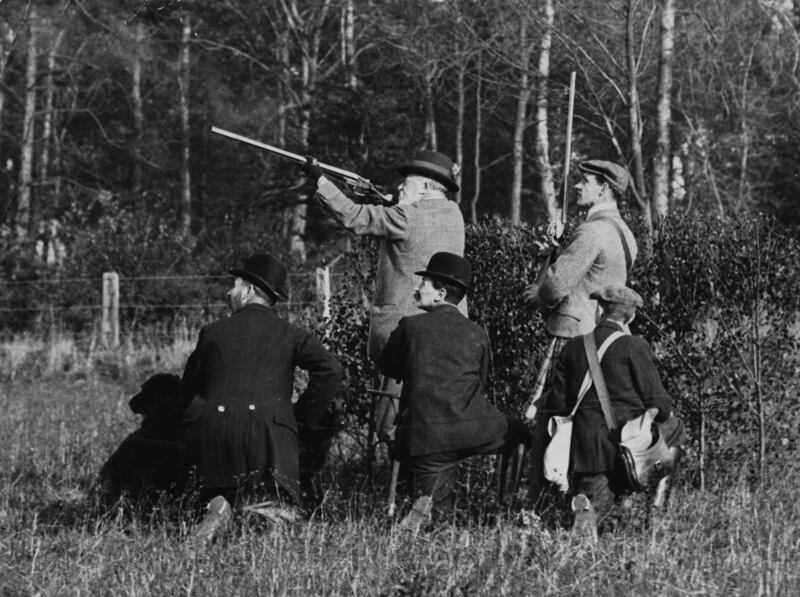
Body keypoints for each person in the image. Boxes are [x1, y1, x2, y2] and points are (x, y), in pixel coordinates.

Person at [302, 151, 467, 446]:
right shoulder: (454, 214)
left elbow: (354, 217)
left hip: (402, 334)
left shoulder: (405, 215)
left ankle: (398, 484)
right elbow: (416, 221)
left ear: (427, 188)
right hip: (448, 334)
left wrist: (321, 180)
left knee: (389, 423)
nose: (400, 187)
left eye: (407, 183)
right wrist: (386, 200)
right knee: (429, 415)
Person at [181, 253, 342, 540]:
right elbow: (331, 371)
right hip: (270, 435)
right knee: (274, 502)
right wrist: (299, 418)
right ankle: (261, 519)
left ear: (250, 290)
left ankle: (218, 506)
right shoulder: (291, 334)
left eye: (234, 286)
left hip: (217, 433)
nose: (229, 292)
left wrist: (202, 416)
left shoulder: (212, 333)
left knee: (218, 488)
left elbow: (189, 389)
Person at [377, 252, 530, 530]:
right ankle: (510, 507)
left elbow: (388, 366)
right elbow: (480, 384)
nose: (416, 288)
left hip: (428, 435)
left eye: (424, 284)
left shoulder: (410, 327)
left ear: (440, 294)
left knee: (434, 510)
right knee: (521, 432)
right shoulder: (477, 332)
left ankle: (429, 516)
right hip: (474, 428)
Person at [522, 160, 639, 505]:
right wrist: (560, 248)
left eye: (584, 181)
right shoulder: (624, 233)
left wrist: (538, 289)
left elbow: (556, 286)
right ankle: (582, 499)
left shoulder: (591, 232)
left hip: (572, 335)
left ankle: (538, 504)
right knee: (587, 424)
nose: (576, 187)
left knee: (549, 418)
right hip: (605, 340)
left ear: (603, 188)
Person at [541, 286, 686, 535]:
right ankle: (655, 509)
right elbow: (661, 406)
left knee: (600, 512)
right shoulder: (635, 346)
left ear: (600, 311)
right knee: (675, 427)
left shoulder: (573, 347)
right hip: (628, 448)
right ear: (630, 317)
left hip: (584, 451)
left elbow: (557, 404)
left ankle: (587, 507)